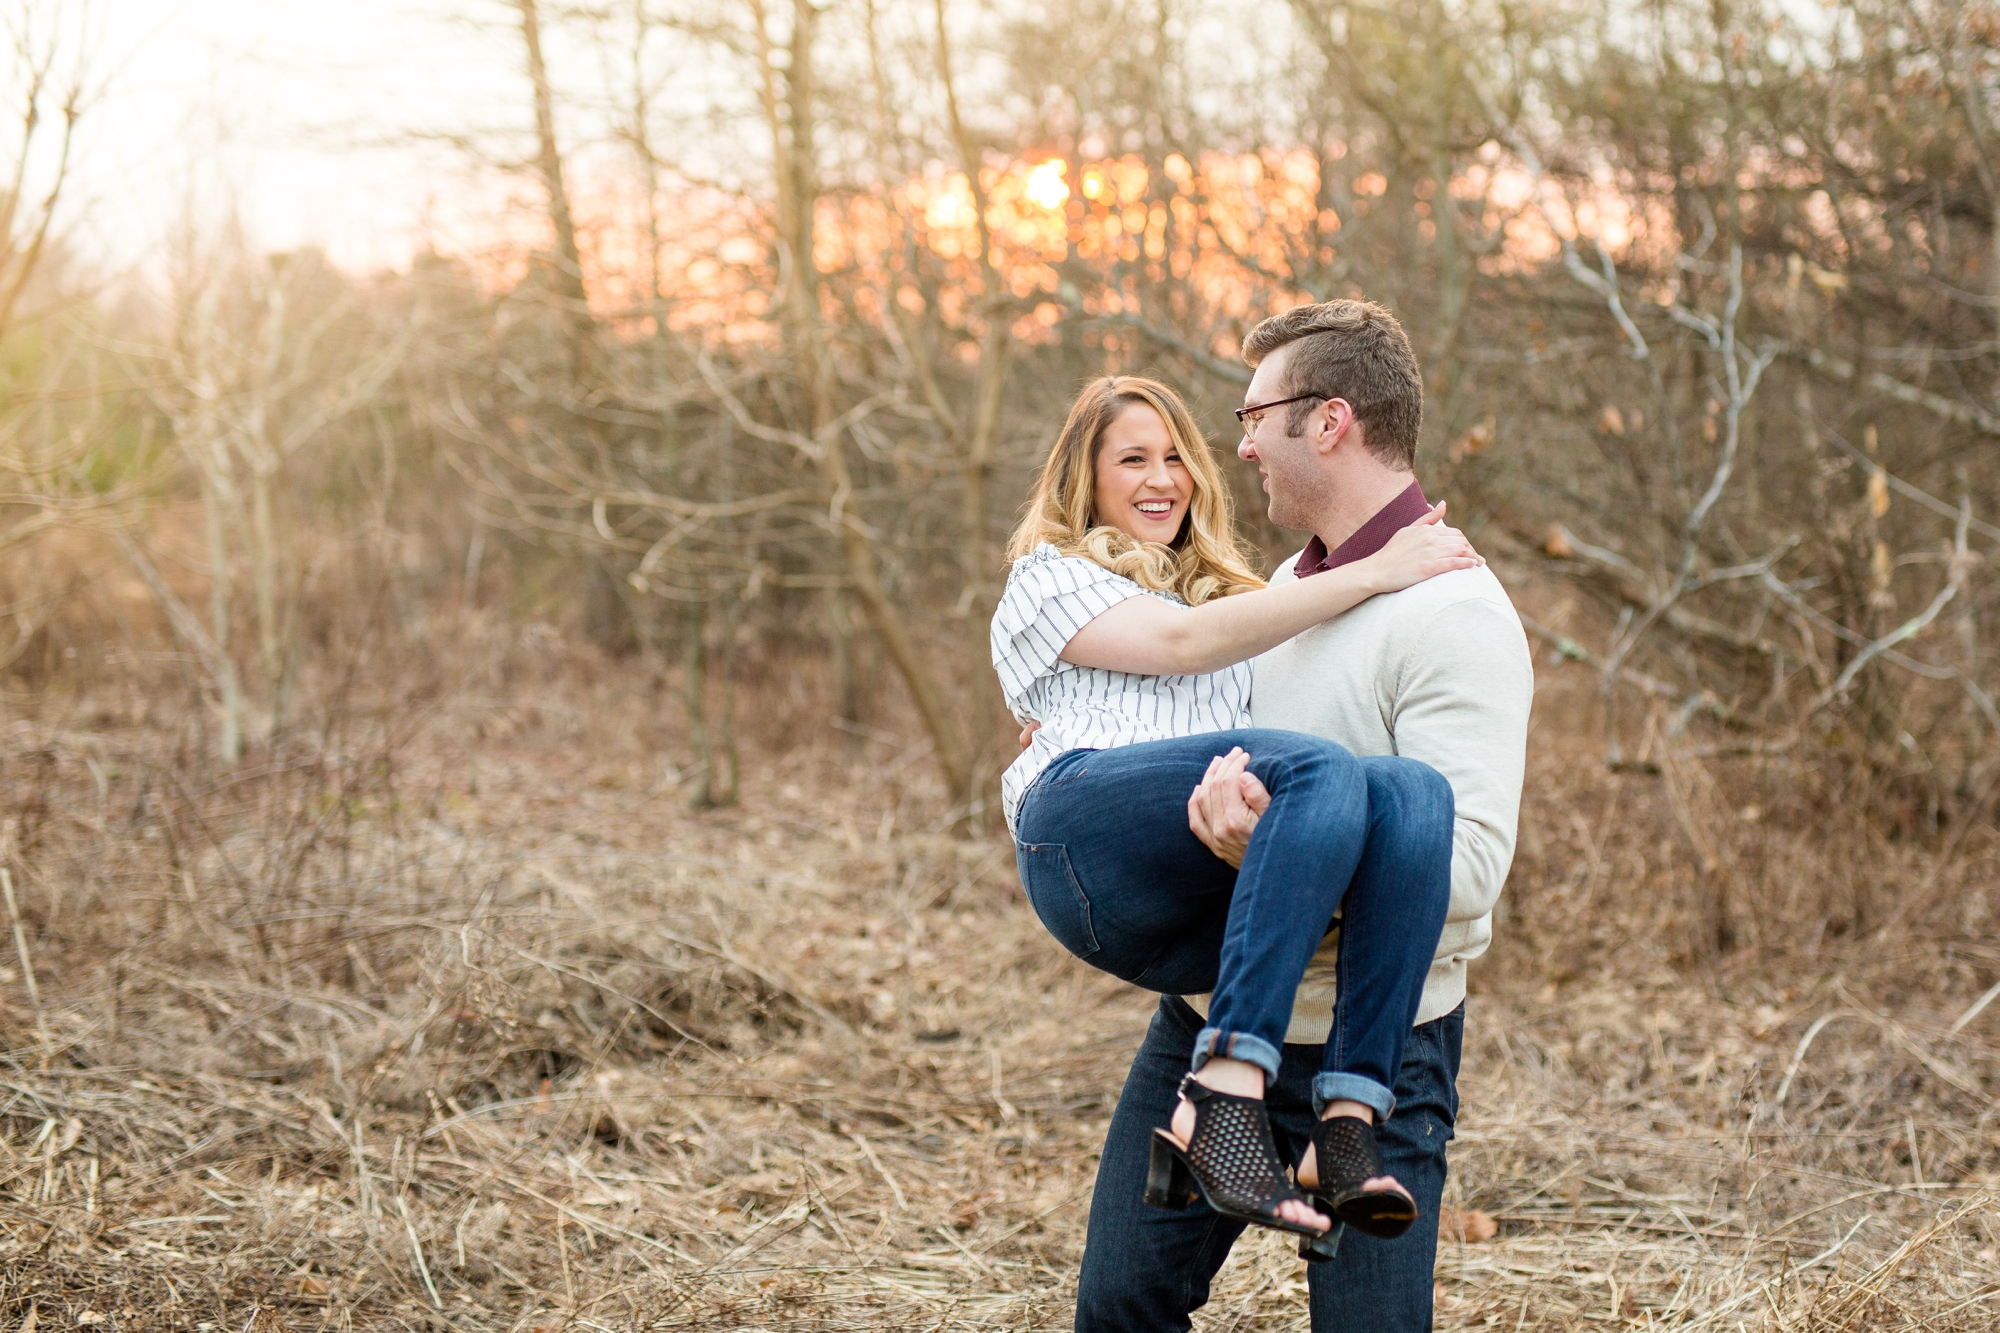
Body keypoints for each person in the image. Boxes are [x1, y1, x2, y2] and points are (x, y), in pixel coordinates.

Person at [1072, 301, 1533, 1333]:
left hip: (1374, 1057)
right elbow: (1203, 740)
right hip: (1210, 1026)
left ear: (1327, 420)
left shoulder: (1452, 615)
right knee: (1117, 1311)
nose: (1235, 445)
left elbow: (1465, 871)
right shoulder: (1290, 588)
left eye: (1252, 414)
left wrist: (1287, 851)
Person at [992, 373, 1477, 1246]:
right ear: (1084, 477)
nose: (1162, 477)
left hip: (1200, 884)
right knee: (1321, 770)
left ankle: (1348, 1122)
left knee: (1413, 793)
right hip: (1084, 835)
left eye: (1178, 456)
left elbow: (1249, 663)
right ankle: (1222, 1089)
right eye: (1132, 458)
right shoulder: (1049, 575)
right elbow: (1179, 646)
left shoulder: (1230, 599)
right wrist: (1379, 568)